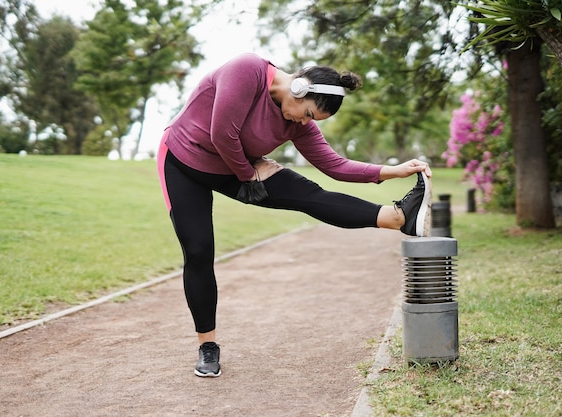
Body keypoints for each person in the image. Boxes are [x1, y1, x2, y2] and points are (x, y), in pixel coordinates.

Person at [157, 53, 432, 377]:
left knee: (308, 194)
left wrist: (393, 170)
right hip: (183, 162)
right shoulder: (246, 71)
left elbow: (335, 165)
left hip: (237, 167)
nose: (305, 122)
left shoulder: (298, 124)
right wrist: (248, 173)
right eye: (308, 113)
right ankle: (208, 345)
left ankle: (397, 217)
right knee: (200, 250)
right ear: (299, 88)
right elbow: (222, 133)